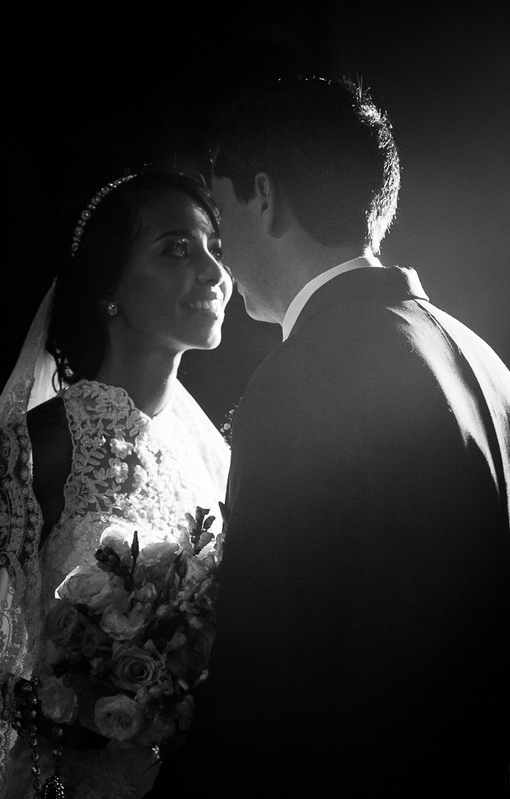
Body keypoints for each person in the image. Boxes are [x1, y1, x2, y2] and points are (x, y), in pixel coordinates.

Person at [147, 76, 510, 797]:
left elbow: (271, 659)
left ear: (264, 195)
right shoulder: (480, 356)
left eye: (221, 216)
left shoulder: (306, 372)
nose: (221, 252)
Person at [0, 168, 236, 799]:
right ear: (108, 290)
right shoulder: (44, 442)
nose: (213, 271)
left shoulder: (210, 449)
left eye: (215, 250)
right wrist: (48, 712)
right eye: (177, 248)